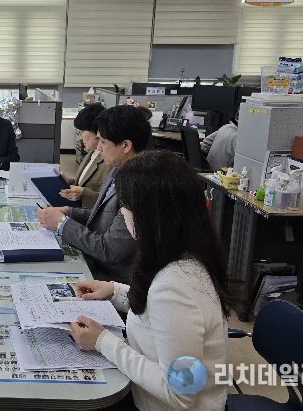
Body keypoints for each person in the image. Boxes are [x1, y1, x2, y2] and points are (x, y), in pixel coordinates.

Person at [69, 151, 231, 411]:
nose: (122, 213)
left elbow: (180, 393)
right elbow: (160, 313)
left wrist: (102, 341)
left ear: (147, 215)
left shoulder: (174, 286)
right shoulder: (185, 254)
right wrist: (114, 290)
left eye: (125, 206)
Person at [37, 105, 151, 283]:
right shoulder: (117, 170)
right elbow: (105, 216)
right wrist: (69, 212)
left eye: (103, 142)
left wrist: (61, 223)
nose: (98, 147)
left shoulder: (140, 185)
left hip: (112, 278)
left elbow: (110, 250)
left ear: (126, 145)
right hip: (94, 261)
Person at [59, 103, 111, 209]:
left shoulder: (110, 161)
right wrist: (67, 182)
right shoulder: (91, 154)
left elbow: (111, 202)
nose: (81, 135)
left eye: (83, 131)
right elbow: (83, 183)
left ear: (97, 132)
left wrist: (84, 194)